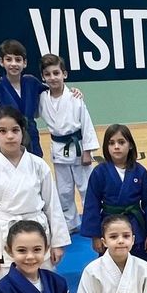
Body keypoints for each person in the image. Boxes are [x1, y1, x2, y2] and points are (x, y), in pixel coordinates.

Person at [0, 107, 69, 272]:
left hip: (37, 232)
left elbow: (52, 205)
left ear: (22, 131)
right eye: (2, 131)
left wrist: (57, 243)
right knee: (7, 286)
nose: (10, 136)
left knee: (42, 282)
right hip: (4, 235)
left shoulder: (38, 165)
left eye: (15, 130)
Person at [79, 123, 147, 262]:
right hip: (109, 224)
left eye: (121, 142)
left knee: (143, 262)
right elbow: (92, 204)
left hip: (136, 225)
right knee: (110, 264)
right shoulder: (99, 172)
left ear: (130, 145)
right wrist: (95, 236)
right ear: (107, 147)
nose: (116, 147)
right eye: (111, 143)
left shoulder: (140, 171)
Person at [38, 54, 97, 234]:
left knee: (86, 187)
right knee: (63, 190)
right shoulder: (42, 98)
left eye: (56, 73)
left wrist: (88, 151)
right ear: (43, 77)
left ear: (65, 74)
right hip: (58, 148)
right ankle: (69, 223)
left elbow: (86, 124)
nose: (52, 77)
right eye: (48, 74)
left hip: (78, 146)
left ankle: (91, 221)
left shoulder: (74, 97)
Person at [0, 39, 54, 162]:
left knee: (35, 170)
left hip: (31, 136)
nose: (14, 64)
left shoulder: (32, 82)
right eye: (9, 59)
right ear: (1, 62)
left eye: (18, 60)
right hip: (9, 137)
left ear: (24, 63)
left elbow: (54, 91)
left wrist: (72, 91)